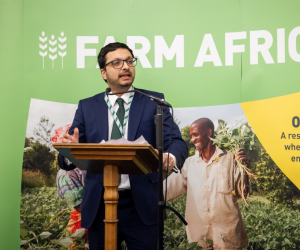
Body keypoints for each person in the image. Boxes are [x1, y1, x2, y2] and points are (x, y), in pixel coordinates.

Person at [57, 42, 188, 250]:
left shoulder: (154, 102)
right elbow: (65, 159)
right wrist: (70, 150)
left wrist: (169, 158)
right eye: (116, 63)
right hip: (99, 205)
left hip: (142, 205)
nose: (125, 67)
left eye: (129, 61)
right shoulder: (87, 106)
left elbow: (177, 142)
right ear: (103, 73)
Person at [164, 118, 249, 249]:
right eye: (191, 136)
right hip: (199, 235)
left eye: (196, 135)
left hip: (227, 235)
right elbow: (167, 188)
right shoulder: (189, 164)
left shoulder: (230, 159)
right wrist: (144, 195)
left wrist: (245, 168)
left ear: (209, 133)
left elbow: (243, 192)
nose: (192, 139)